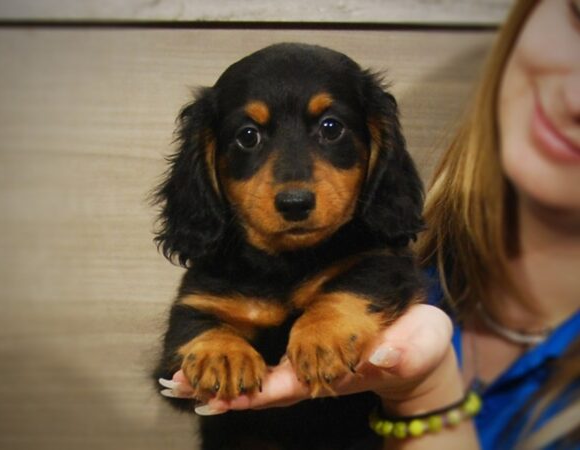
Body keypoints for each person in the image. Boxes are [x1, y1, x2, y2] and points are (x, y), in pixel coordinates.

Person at [161, 0, 580, 448]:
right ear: (209, 162)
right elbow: (179, 353)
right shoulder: (217, 283)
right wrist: (209, 349)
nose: (294, 189)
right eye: (249, 137)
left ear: (375, 146)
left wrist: (345, 319)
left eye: (331, 128)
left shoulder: (370, 265)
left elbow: (388, 279)